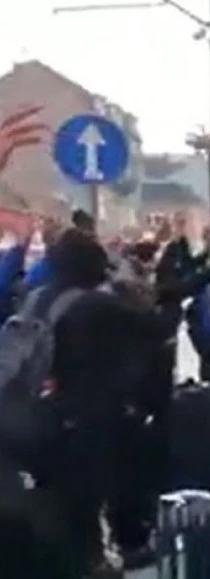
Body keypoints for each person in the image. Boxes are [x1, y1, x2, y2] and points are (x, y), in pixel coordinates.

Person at [0, 228, 167, 577]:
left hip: (29, 415)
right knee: (88, 494)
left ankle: (54, 557)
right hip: (83, 415)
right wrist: (130, 288)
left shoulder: (35, 298)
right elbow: (154, 328)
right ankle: (95, 558)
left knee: (52, 496)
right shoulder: (98, 305)